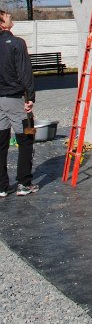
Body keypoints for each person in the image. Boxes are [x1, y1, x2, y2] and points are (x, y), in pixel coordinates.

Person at [0, 11, 37, 197]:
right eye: (6, 16)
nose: (9, 16)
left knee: (1, 142)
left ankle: (2, 186)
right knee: (28, 137)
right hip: (15, 99)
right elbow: (25, 71)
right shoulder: (16, 43)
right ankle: (24, 183)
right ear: (2, 24)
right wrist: (30, 97)